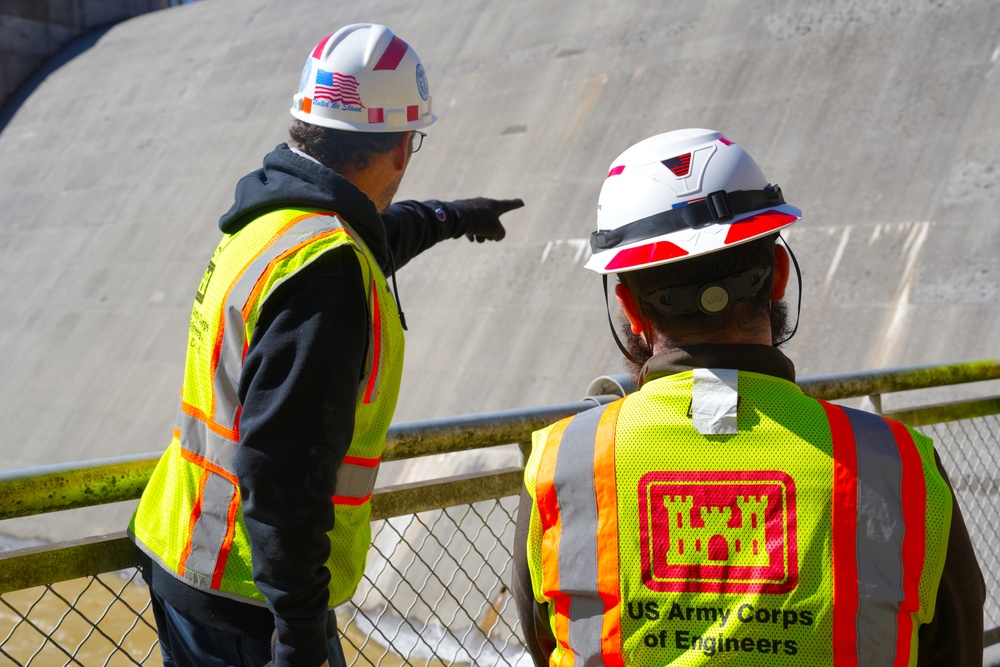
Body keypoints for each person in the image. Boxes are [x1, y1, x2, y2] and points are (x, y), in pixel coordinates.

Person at [128, 23, 523, 667]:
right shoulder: (329, 269)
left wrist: (454, 216)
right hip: (251, 599)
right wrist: (302, 634)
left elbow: (379, 233)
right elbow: (283, 472)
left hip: (187, 555)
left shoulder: (274, 225)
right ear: (400, 147)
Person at [512, 128, 984, 666]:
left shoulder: (562, 465)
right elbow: (958, 648)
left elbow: (546, 641)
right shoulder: (899, 467)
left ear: (630, 307)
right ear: (778, 275)